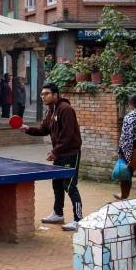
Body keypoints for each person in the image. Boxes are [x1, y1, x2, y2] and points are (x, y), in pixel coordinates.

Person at [20, 83, 83, 231]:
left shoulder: (65, 110)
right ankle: (58, 214)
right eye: (42, 94)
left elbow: (67, 136)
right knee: (57, 184)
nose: (43, 97)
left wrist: (55, 151)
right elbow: (43, 130)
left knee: (70, 186)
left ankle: (79, 219)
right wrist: (28, 129)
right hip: (60, 153)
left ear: (55, 95)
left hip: (71, 154)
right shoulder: (50, 112)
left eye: (46, 94)